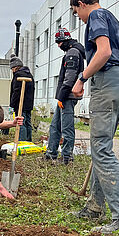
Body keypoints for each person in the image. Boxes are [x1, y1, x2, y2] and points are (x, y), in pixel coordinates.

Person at [70, 0, 119, 234]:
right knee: (103, 146)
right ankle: (95, 206)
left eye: (76, 12)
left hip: (107, 80)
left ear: (81, 3)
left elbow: (103, 52)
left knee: (100, 148)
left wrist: (82, 78)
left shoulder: (97, 17)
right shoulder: (112, 18)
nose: (78, 17)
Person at [43, 28, 85, 164]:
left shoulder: (72, 53)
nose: (59, 45)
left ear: (66, 40)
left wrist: (61, 97)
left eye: (60, 42)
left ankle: (67, 157)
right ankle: (51, 153)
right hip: (65, 96)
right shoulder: (71, 51)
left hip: (68, 97)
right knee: (55, 126)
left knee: (67, 128)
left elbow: (70, 77)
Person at [9, 54, 34, 142]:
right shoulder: (30, 75)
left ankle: (22, 142)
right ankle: (28, 141)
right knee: (28, 122)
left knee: (21, 123)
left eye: (12, 68)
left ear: (15, 67)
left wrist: (12, 105)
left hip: (20, 104)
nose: (12, 70)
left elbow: (16, 92)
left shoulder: (18, 75)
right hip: (29, 103)